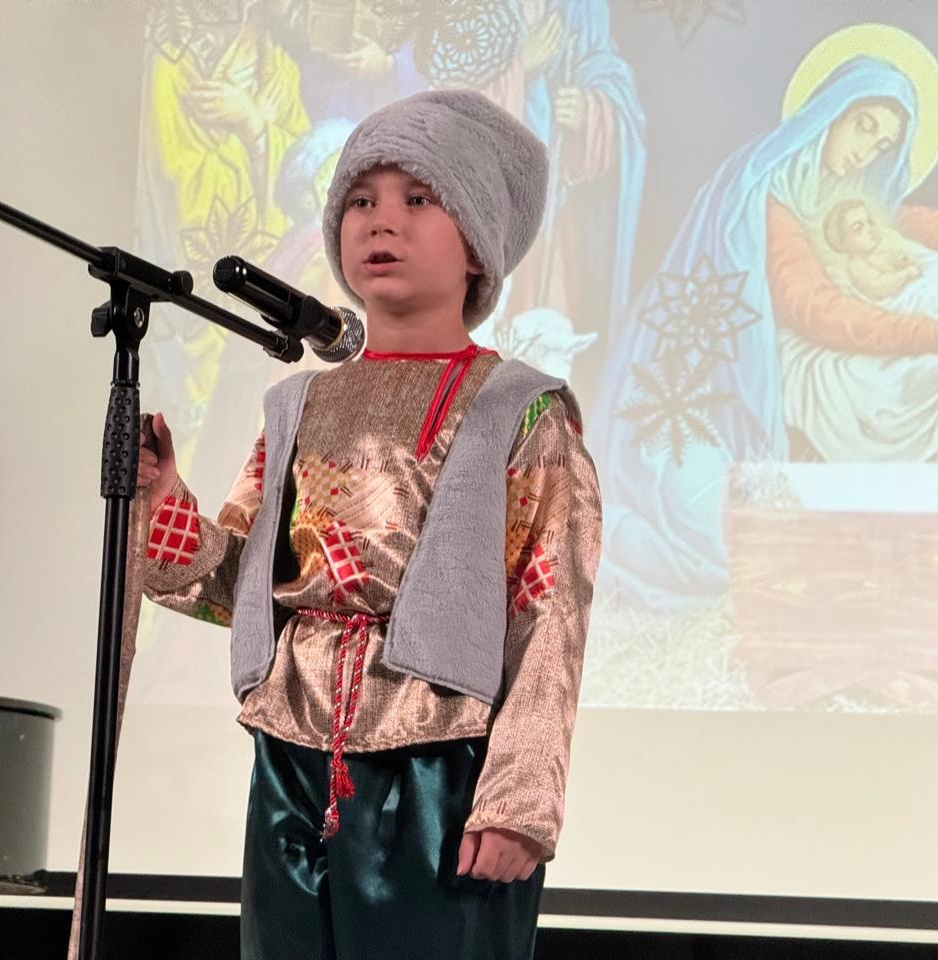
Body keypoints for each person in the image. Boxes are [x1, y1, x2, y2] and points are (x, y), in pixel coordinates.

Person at [133, 90, 602, 959]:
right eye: (360, 200)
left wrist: (519, 800)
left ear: (477, 244)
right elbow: (240, 585)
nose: (382, 220)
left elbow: (550, 616)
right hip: (292, 754)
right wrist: (161, 497)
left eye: (418, 198)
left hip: (440, 766)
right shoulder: (298, 403)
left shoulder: (520, 410)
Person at [593, 54, 938, 608]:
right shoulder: (771, 187)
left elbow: (909, 222)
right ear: (832, 110)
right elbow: (811, 305)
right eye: (864, 126)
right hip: (692, 390)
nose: (867, 151)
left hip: (741, 387)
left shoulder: (834, 190)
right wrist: (932, 334)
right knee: (720, 550)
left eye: (883, 145)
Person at [822, 198, 921, 301]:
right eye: (858, 229)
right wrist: (905, 274)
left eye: (870, 222)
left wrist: (903, 259)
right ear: (843, 242)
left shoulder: (877, 250)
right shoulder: (857, 266)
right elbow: (880, 286)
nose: (869, 229)